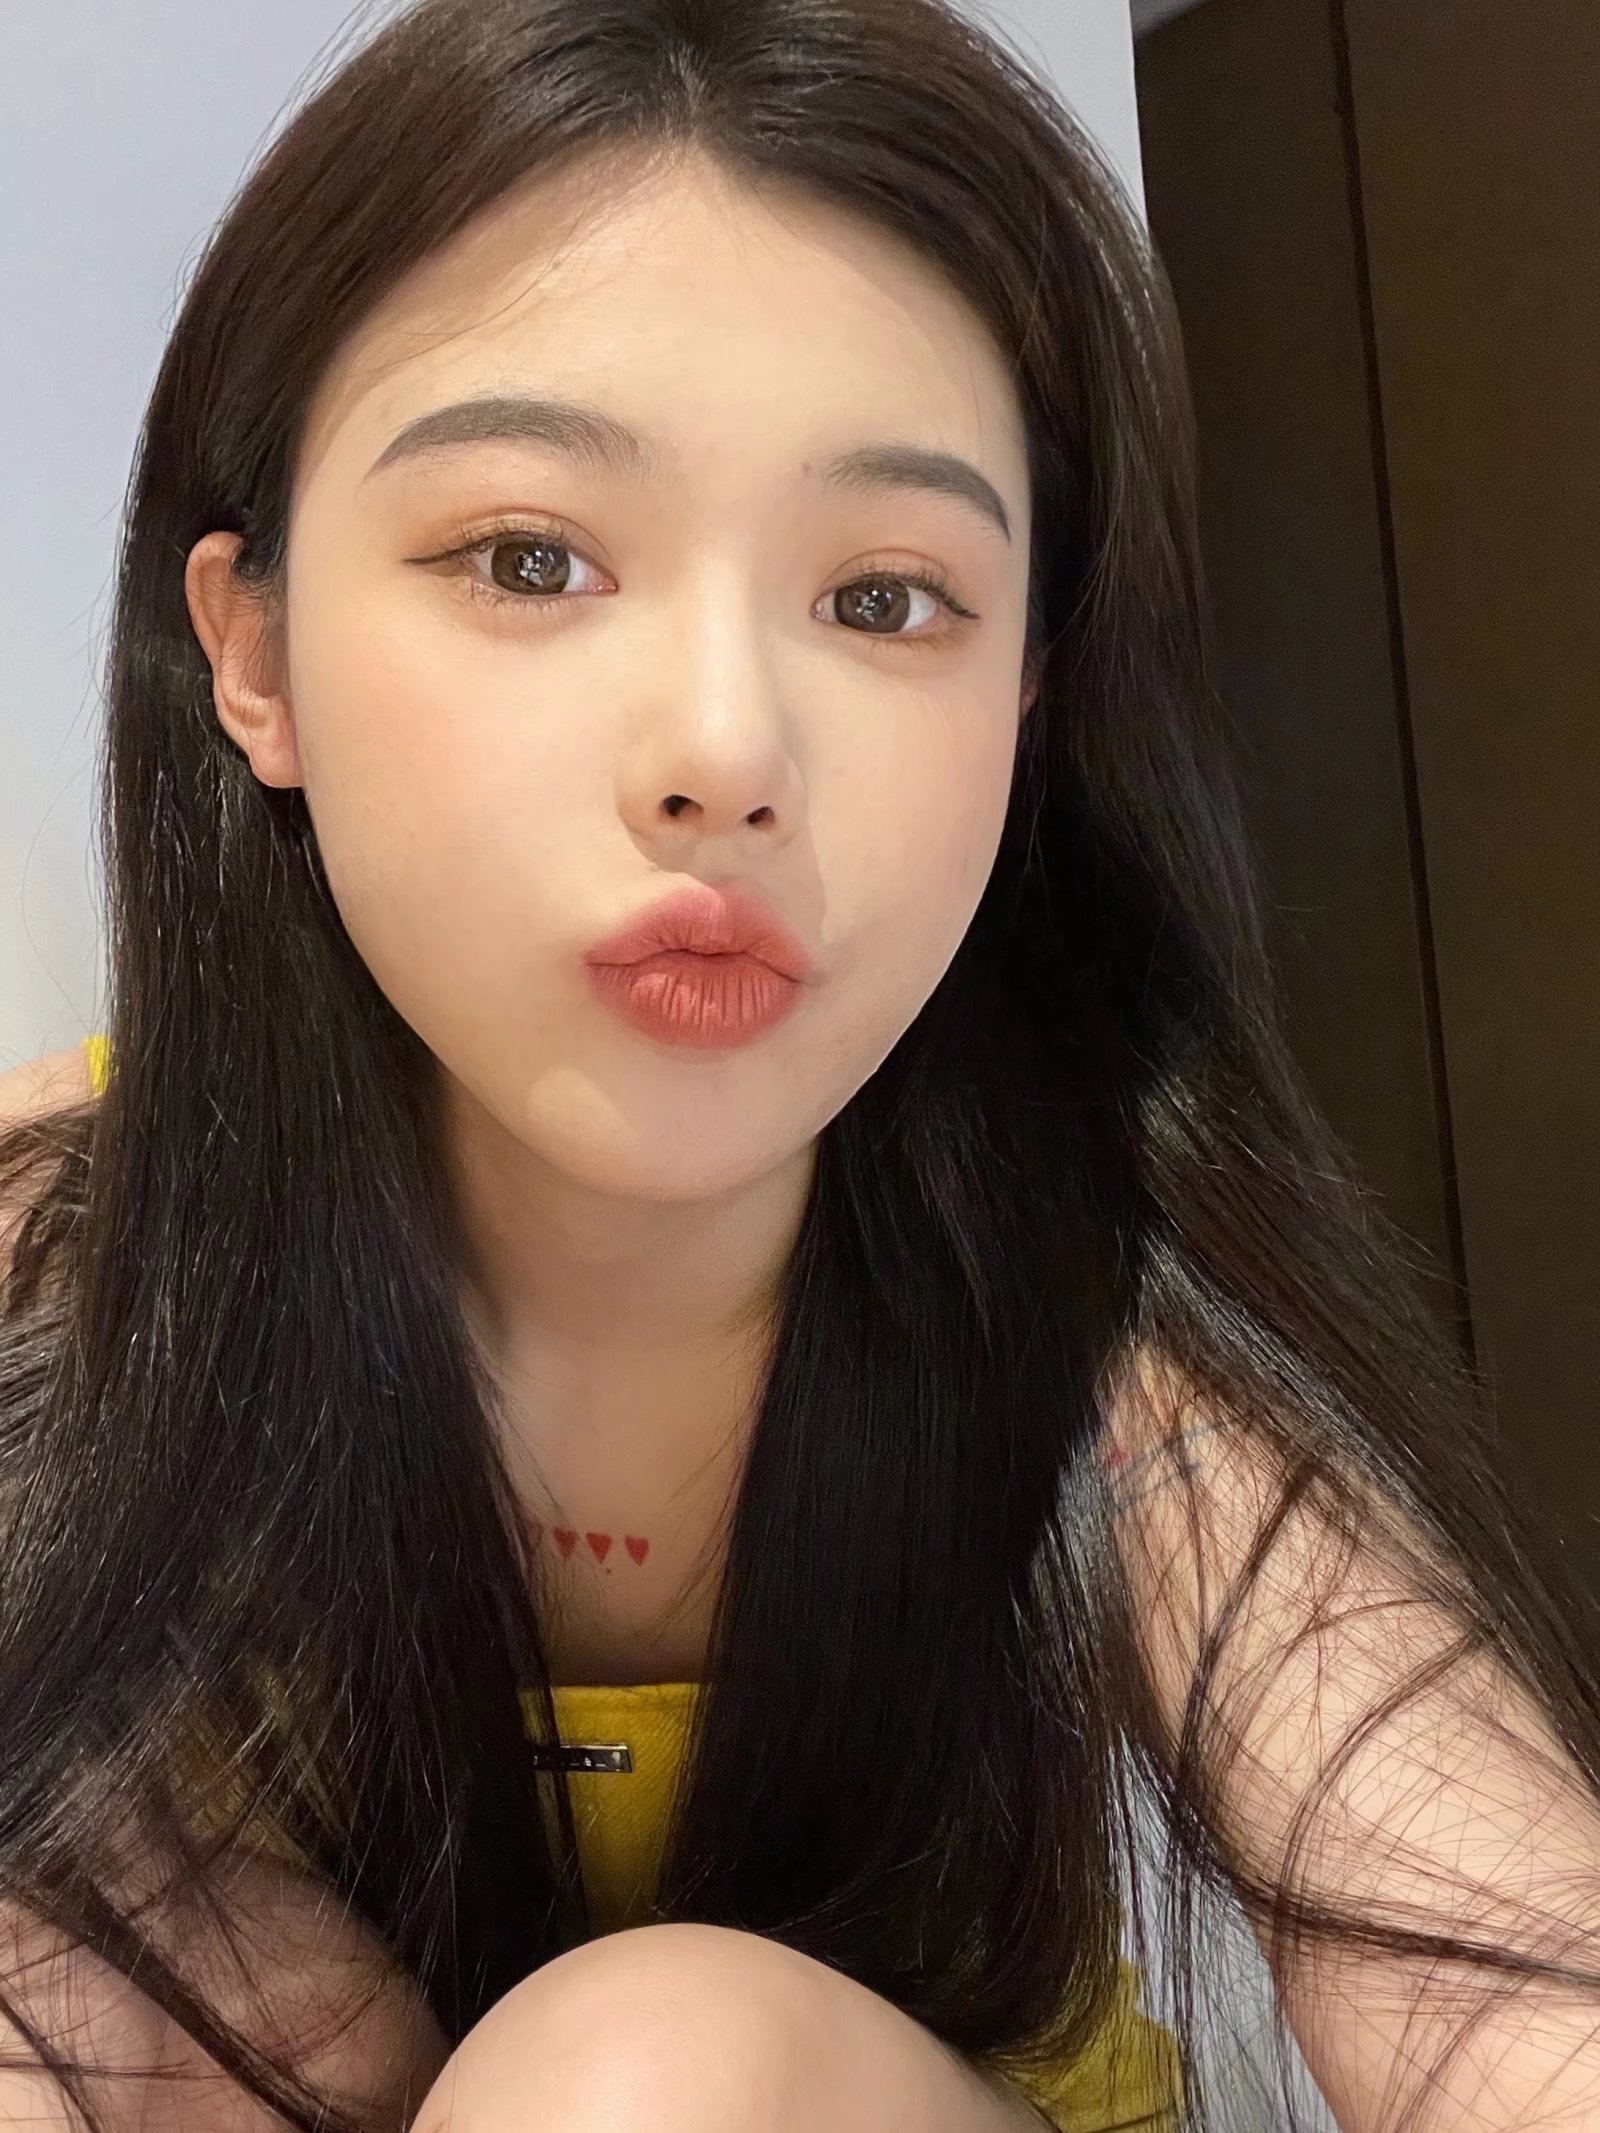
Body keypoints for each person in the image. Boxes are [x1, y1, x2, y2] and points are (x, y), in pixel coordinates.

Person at [4, 1, 1600, 2129]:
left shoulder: (1112, 1347)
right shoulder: (77, 1252)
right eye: (530, 558)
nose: (725, 751)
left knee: (644, 2077)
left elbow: (1524, 2012)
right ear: (253, 651)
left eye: (885, 597)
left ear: (1028, 700)